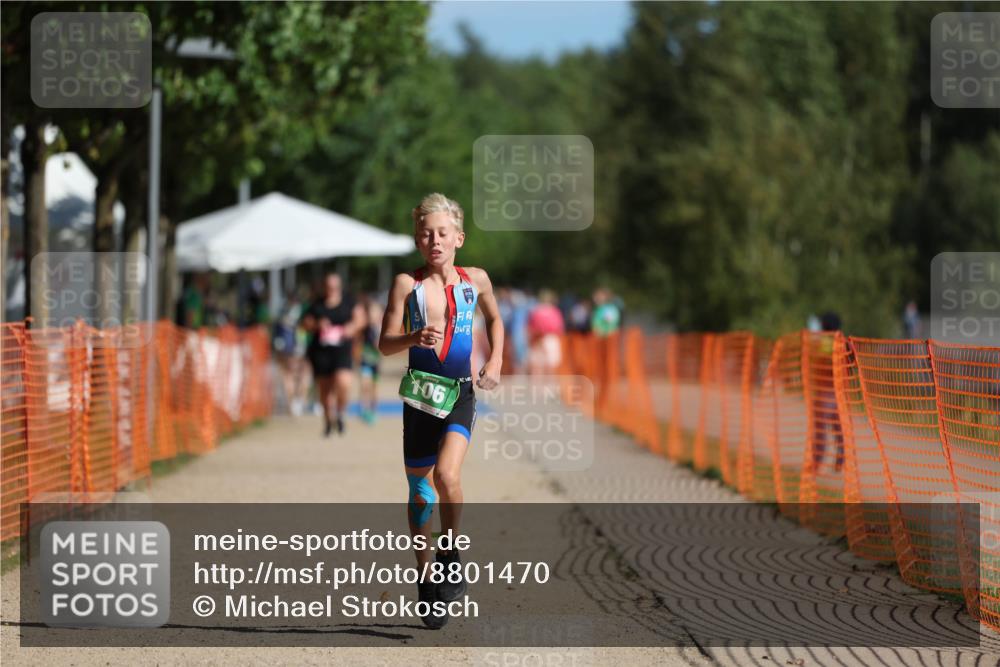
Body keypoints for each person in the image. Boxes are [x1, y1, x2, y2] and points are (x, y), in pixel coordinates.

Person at [378, 193, 504, 629]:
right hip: (420, 398)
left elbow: (495, 319)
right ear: (417, 240)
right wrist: (412, 340)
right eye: (426, 233)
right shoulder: (406, 285)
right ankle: (426, 575)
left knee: (448, 476)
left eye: (442, 233)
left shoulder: (476, 281)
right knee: (420, 493)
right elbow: (384, 343)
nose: (434, 240)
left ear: (459, 238)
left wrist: (497, 359)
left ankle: (450, 551)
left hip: (460, 392)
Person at [301, 273, 365, 437]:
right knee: (325, 390)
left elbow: (361, 319)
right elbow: (305, 323)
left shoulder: (348, 301)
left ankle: (341, 413)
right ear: (324, 287)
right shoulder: (317, 304)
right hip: (321, 351)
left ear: (339, 286)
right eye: (329, 286)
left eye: (335, 286)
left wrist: (351, 327)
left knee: (343, 382)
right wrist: (317, 324)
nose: (332, 290)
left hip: (342, 349)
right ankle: (328, 419)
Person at [273, 289, 310, 416]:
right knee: (301, 374)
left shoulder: (282, 312)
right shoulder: (302, 311)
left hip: (285, 347)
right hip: (298, 347)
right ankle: (299, 401)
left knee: (288, 374)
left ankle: (292, 404)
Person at [357, 294, 383, 425]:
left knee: (374, 387)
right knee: (364, 384)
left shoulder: (382, 327)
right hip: (365, 360)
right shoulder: (365, 327)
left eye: (376, 311)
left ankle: (373, 410)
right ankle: (363, 409)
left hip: (376, 362)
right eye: (371, 311)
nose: (373, 314)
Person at [527, 289, 565, 375]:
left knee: (537, 364)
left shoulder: (536, 311)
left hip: (537, 338)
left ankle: (537, 385)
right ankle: (548, 383)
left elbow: (530, 326)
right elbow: (559, 327)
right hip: (550, 338)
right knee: (551, 364)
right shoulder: (555, 311)